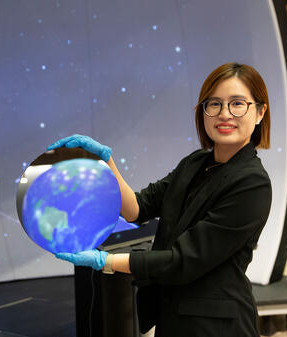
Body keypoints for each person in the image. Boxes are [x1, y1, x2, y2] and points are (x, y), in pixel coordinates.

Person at [49, 62, 272, 337]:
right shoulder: (194, 163)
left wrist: (105, 261)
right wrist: (107, 163)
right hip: (173, 317)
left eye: (237, 104)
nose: (224, 114)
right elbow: (137, 208)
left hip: (216, 326)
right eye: (214, 104)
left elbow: (183, 261)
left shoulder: (252, 183)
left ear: (260, 112)